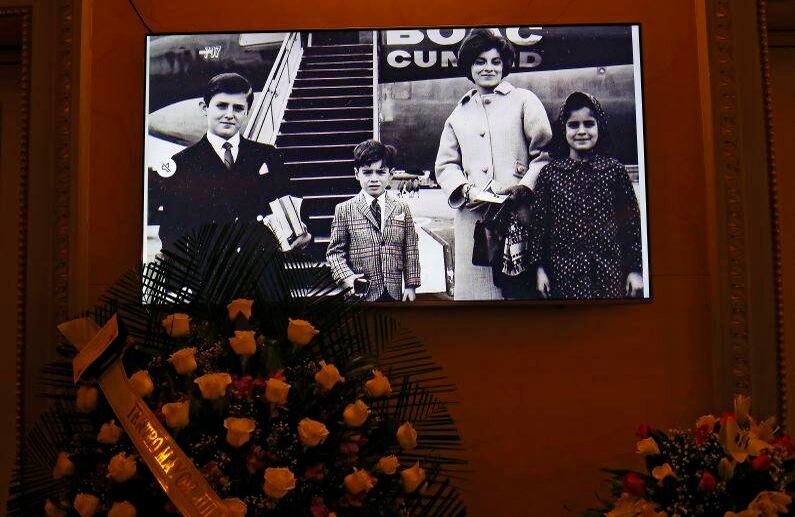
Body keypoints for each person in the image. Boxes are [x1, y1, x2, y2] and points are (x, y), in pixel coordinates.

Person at [435, 29, 552, 300]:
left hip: (518, 217)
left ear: (505, 65)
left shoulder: (524, 101)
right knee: (479, 302)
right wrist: (463, 189)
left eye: (495, 61)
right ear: (469, 67)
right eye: (480, 61)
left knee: (518, 299)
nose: (488, 68)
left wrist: (524, 188)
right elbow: (446, 165)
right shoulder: (458, 113)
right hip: (473, 220)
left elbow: (544, 154)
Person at [158, 72, 311, 252]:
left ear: (246, 112)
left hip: (262, 273)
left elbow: (290, 204)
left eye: (238, 108)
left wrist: (305, 234)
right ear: (204, 108)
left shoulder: (268, 155)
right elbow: (171, 235)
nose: (229, 115)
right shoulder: (181, 164)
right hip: (210, 276)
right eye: (222, 106)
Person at [529, 91, 643, 299]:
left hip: (608, 273)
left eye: (589, 124)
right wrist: (539, 269)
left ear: (600, 126)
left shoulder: (614, 171)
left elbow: (632, 224)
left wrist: (635, 270)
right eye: (573, 125)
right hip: (563, 275)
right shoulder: (550, 174)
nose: (581, 131)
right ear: (563, 129)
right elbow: (539, 226)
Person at [326, 140, 421, 302]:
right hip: (360, 295)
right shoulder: (344, 209)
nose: (374, 179)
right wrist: (349, 279)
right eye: (367, 172)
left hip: (394, 292)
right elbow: (335, 254)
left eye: (380, 172)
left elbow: (410, 248)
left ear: (391, 174)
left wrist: (411, 285)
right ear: (357, 174)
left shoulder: (401, 207)